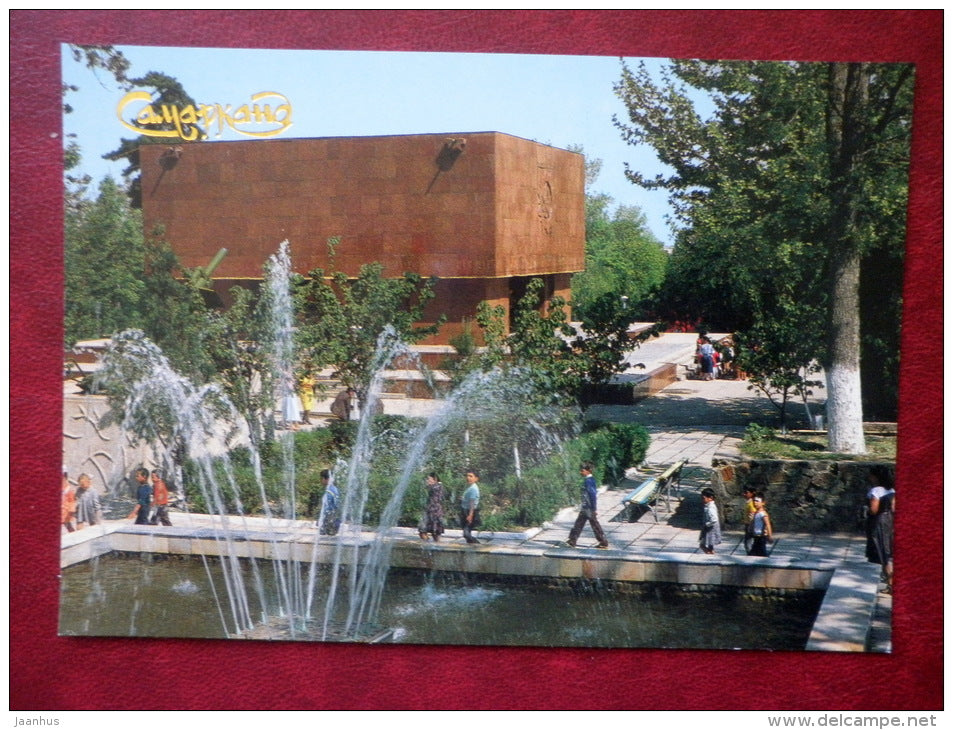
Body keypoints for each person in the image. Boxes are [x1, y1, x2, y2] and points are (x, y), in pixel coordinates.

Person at [865, 469, 895, 594]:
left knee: (882, 552)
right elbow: (894, 508)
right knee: (887, 550)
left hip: (878, 521)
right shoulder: (892, 490)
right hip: (889, 520)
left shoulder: (876, 491)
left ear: (876, 477)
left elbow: (874, 510)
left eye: (871, 475)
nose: (869, 478)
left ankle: (891, 584)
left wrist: (865, 509)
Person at [567, 462, 610, 549]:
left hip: (588, 507)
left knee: (591, 524)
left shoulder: (588, 481)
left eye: (582, 471)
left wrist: (594, 508)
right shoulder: (590, 480)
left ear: (588, 471)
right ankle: (572, 540)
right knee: (581, 523)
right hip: (586, 506)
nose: (580, 472)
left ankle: (603, 542)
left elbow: (592, 495)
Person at [418, 472, 445, 541]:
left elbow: (435, 490)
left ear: (435, 479)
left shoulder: (437, 486)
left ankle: (431, 547)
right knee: (430, 532)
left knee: (431, 532)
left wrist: (429, 485)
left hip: (434, 511)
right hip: (433, 511)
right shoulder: (437, 486)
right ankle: (430, 546)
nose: (427, 481)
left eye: (429, 479)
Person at [315, 469, 341, 536]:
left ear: (325, 479)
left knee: (324, 540)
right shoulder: (335, 489)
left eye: (321, 478)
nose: (321, 480)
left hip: (329, 521)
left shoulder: (329, 492)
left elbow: (327, 508)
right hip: (335, 520)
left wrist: (321, 520)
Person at [460, 470, 481, 544]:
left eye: (471, 476)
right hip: (466, 511)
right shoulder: (470, 487)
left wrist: (470, 515)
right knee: (466, 533)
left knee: (466, 533)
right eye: (467, 476)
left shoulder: (473, 489)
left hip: (470, 512)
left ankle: (477, 545)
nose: (468, 478)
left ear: (476, 478)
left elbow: (472, 502)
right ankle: (471, 547)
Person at [699, 487, 721, 554]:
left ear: (710, 498)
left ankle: (710, 554)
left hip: (711, 528)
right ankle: (710, 553)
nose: (702, 500)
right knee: (707, 544)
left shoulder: (711, 508)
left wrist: (707, 524)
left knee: (705, 544)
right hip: (709, 528)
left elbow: (714, 519)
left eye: (704, 498)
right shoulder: (708, 506)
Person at [742, 486, 757, 553]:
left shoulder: (751, 504)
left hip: (750, 525)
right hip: (747, 524)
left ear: (752, 493)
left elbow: (752, 515)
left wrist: (751, 526)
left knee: (748, 542)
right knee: (747, 542)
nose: (744, 494)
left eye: (746, 492)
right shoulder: (748, 502)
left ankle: (751, 554)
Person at [61, 469, 76, 533]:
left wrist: (71, 511)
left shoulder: (68, 488)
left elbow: (71, 501)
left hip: (65, 512)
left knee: (69, 527)